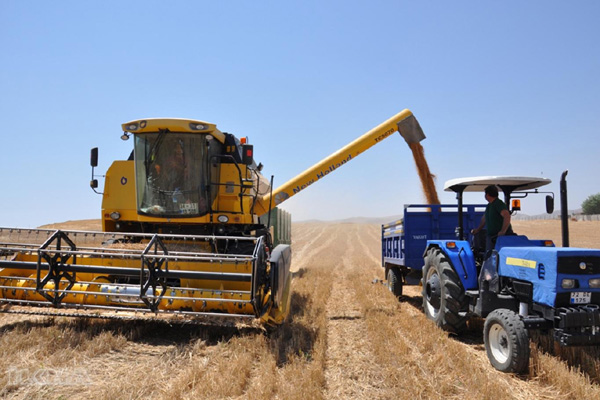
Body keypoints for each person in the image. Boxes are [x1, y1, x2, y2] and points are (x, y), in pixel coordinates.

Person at [472, 185, 513, 252]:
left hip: (499, 237)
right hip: (491, 236)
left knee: (494, 255)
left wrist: (503, 231)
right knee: (489, 254)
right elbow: (484, 219)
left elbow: (507, 216)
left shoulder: (498, 204)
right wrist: (478, 230)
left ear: (487, 195)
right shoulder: (490, 205)